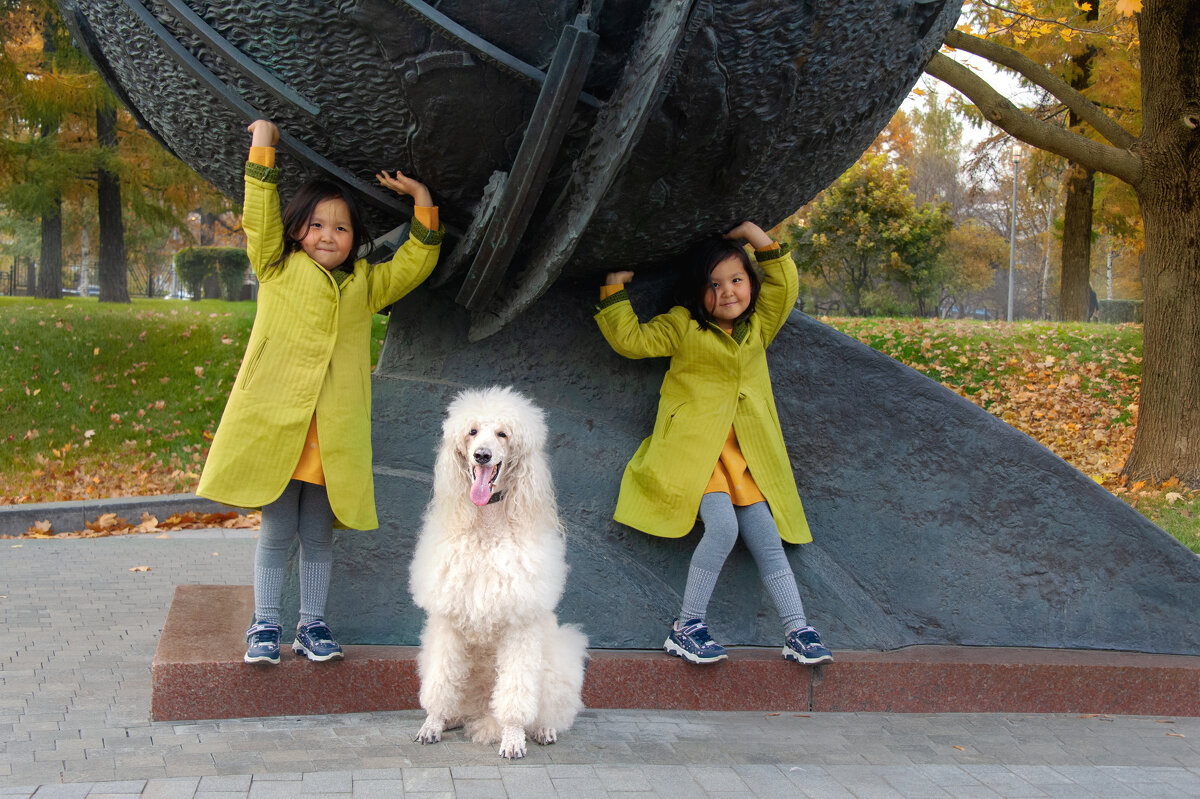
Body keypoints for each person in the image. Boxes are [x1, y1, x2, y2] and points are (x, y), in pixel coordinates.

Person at [197, 119, 442, 665]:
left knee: (318, 532)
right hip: (278, 424)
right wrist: (262, 145)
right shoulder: (277, 268)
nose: (328, 236)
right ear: (297, 231)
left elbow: (415, 261)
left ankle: (312, 624)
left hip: (331, 433)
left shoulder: (364, 287)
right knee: (277, 528)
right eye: (316, 225)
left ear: (356, 240)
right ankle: (264, 625)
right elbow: (258, 218)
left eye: (341, 229)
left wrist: (422, 200)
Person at [593, 221, 832, 666]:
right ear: (697, 291)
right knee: (723, 527)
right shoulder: (684, 326)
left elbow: (785, 282)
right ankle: (687, 626)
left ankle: (797, 629)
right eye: (714, 283)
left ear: (749, 285)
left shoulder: (759, 326)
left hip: (744, 455)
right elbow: (634, 340)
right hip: (695, 453)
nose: (727, 292)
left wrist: (751, 233)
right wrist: (613, 289)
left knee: (766, 536)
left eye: (736, 280)